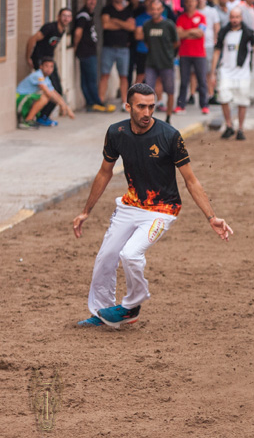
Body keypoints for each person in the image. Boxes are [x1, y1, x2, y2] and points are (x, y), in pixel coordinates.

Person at [74, 83, 233, 328]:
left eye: (151, 106)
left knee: (130, 254)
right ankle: (101, 313)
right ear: (128, 107)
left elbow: (190, 180)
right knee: (105, 257)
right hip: (130, 206)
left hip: (162, 210)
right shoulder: (116, 132)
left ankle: (131, 307)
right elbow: (105, 172)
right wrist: (86, 211)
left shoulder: (170, 136)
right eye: (141, 107)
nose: (147, 112)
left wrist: (212, 217)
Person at [211, 7, 254, 141]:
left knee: (242, 100)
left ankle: (240, 128)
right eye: (232, 17)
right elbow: (217, 52)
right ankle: (229, 125)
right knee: (223, 97)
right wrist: (213, 72)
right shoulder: (223, 32)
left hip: (242, 71)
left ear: (241, 18)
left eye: (237, 17)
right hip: (225, 70)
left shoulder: (248, 32)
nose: (234, 20)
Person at [25, 7, 73, 126]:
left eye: (68, 16)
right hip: (41, 61)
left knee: (58, 89)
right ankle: (40, 116)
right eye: (64, 16)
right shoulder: (50, 27)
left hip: (50, 60)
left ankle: (44, 115)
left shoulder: (62, 30)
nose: (66, 18)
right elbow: (32, 39)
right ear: (58, 17)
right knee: (51, 89)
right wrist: (28, 57)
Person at [74, 0, 116, 113]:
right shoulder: (83, 15)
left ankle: (91, 103)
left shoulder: (89, 14)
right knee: (91, 79)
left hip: (88, 51)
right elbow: (78, 32)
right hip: (86, 52)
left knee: (86, 79)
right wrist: (76, 47)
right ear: (84, 0)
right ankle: (96, 103)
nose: (92, 2)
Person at [141, 0, 179, 124]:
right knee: (148, 92)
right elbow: (146, 42)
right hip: (151, 62)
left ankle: (168, 117)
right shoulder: (147, 25)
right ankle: (147, 118)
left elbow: (176, 42)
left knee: (170, 91)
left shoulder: (169, 24)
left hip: (166, 63)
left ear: (162, 10)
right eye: (153, 9)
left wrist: (169, 54)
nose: (155, 12)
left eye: (158, 9)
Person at [100, 0, 135, 111]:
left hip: (123, 48)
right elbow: (106, 25)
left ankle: (124, 102)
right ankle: (100, 100)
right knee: (105, 75)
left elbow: (131, 27)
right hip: (108, 47)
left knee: (124, 76)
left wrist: (115, 21)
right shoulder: (106, 9)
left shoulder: (128, 10)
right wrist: (123, 24)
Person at [16, 57, 75, 129]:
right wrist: (61, 105)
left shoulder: (46, 78)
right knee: (45, 97)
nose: (49, 69)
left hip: (26, 98)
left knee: (51, 97)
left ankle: (35, 118)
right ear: (41, 66)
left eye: (51, 67)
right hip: (19, 98)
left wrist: (67, 108)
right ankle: (27, 120)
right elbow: (48, 92)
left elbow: (55, 93)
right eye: (46, 66)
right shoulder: (38, 75)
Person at [175, 0, 209, 114]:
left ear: (196, 2)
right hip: (184, 53)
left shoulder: (201, 17)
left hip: (199, 54)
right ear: (185, 3)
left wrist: (186, 32)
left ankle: (204, 105)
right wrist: (192, 32)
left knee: (202, 80)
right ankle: (181, 105)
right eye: (188, 1)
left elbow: (200, 33)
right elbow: (179, 34)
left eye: (192, 1)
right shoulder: (181, 18)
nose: (190, 3)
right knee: (184, 81)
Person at [196, 0, 221, 104]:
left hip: (209, 44)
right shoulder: (194, 12)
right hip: (197, 45)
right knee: (199, 72)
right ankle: (204, 93)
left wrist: (216, 40)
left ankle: (211, 94)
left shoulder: (212, 11)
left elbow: (216, 26)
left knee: (211, 71)